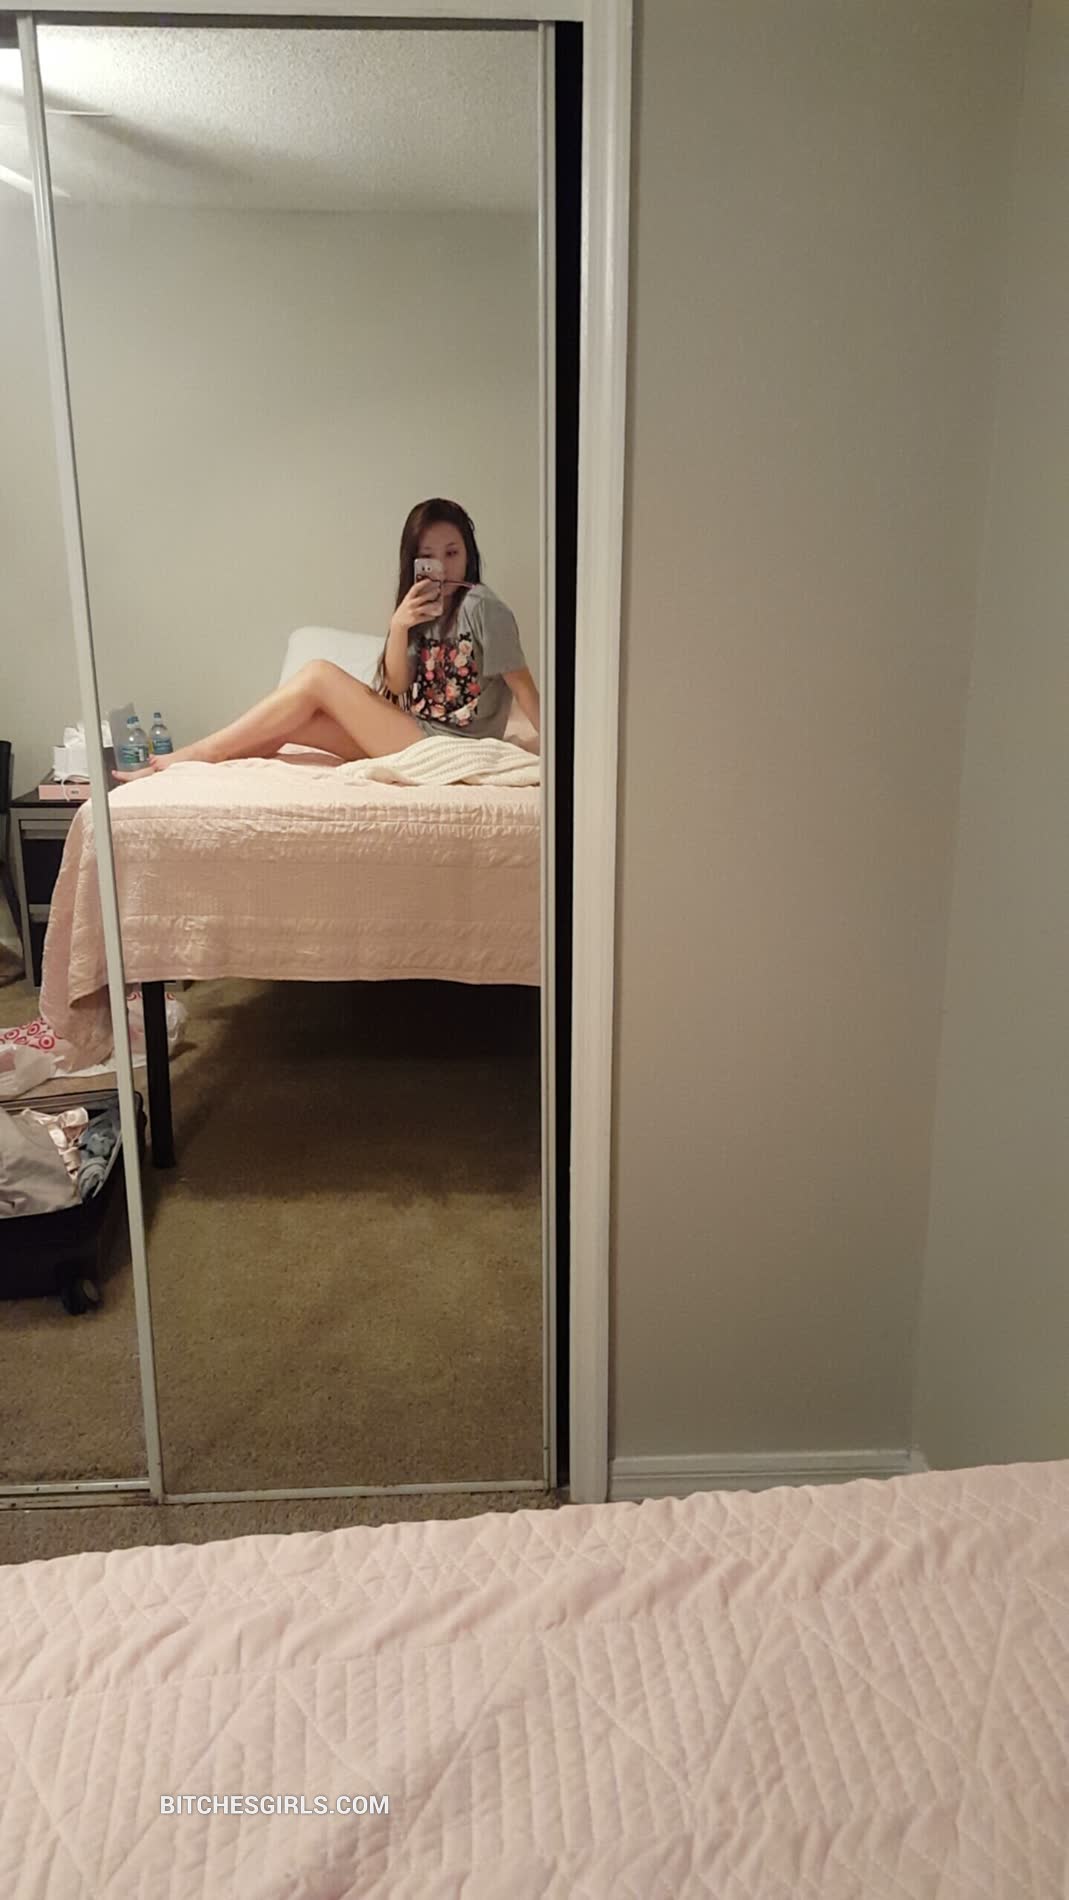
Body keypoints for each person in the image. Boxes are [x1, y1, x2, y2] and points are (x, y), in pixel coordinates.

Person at [112, 498, 540, 780]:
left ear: (469, 554)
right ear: (413, 560)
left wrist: (561, 757)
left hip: (448, 746)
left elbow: (524, 689)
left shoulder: (482, 606)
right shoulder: (422, 610)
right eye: (429, 556)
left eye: (452, 552)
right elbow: (397, 684)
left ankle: (199, 752)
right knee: (300, 724)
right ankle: (203, 764)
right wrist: (399, 626)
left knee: (318, 674)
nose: (442, 566)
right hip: (416, 735)